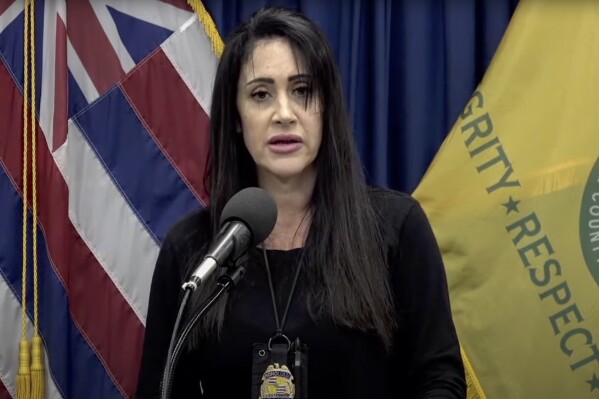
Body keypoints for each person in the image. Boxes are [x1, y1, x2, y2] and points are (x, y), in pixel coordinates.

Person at [136, 5, 466, 399]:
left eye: (303, 91)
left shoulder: (397, 229)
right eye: (261, 94)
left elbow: (439, 381)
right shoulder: (193, 251)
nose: (284, 114)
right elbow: (161, 388)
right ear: (237, 116)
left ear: (326, 107)